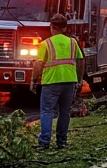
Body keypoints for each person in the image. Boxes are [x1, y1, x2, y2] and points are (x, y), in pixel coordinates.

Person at [31, 13, 85, 151]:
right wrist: (79, 79)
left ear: (52, 27)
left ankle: (44, 141)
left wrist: (34, 80)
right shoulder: (73, 42)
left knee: (47, 111)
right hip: (69, 82)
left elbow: (38, 64)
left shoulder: (46, 44)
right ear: (65, 28)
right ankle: (61, 141)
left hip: (51, 82)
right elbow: (81, 61)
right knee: (65, 112)